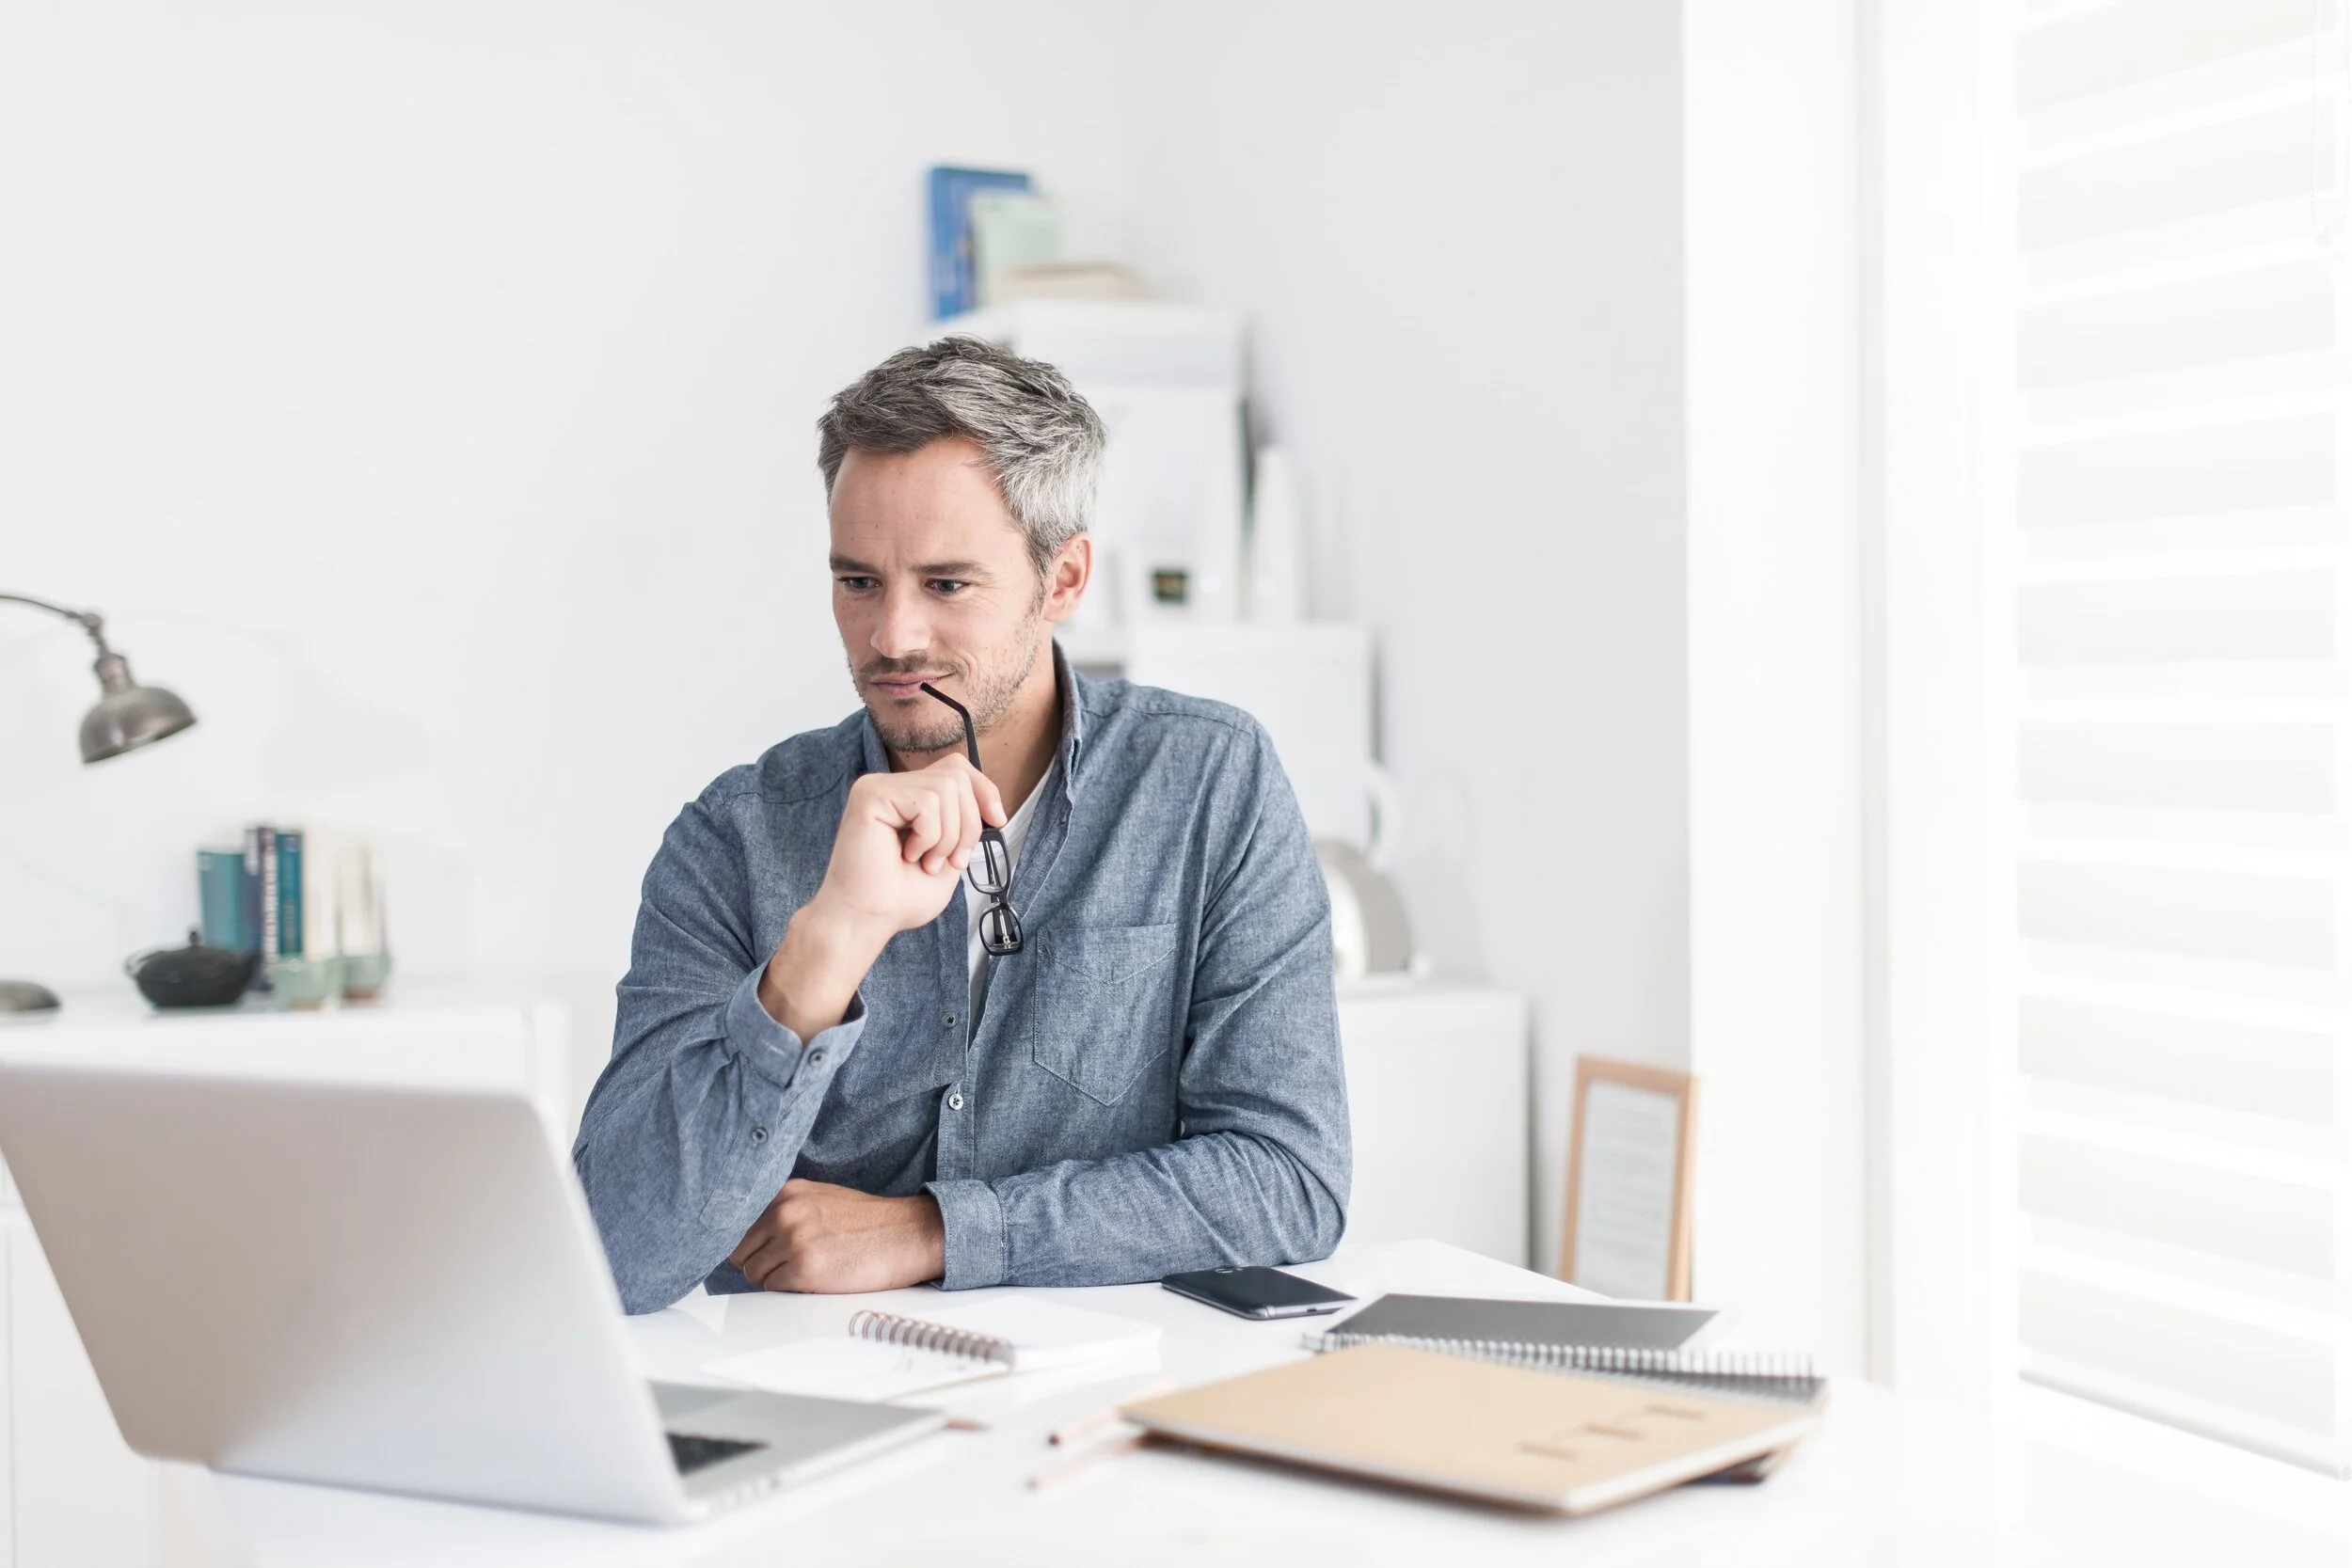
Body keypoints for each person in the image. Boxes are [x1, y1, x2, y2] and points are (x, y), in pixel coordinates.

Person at [573, 337, 1350, 1313]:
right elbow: (613, 1248)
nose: (893, 637)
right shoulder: (732, 838)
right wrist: (826, 947)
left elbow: (1288, 1180)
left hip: (1107, 1399)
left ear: (1062, 581)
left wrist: (936, 1232)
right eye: (857, 582)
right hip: (811, 1409)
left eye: (946, 584)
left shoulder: (1207, 781)